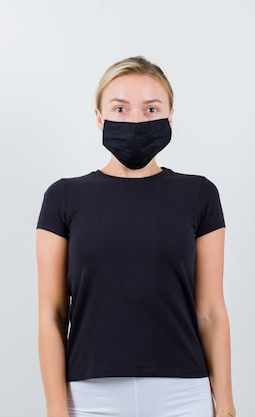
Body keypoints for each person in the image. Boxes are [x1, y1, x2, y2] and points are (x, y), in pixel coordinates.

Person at [36, 56, 236, 417]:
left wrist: (226, 406)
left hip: (183, 393)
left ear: (170, 117)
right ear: (99, 117)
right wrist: (55, 408)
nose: (135, 120)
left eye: (151, 109)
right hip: (90, 395)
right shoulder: (63, 198)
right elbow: (51, 314)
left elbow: (211, 312)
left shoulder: (199, 195)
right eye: (120, 108)